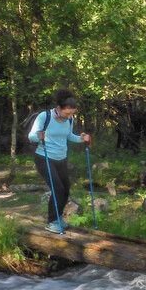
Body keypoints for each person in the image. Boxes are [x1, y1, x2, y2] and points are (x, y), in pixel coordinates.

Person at [28, 87, 91, 232]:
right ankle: (51, 222)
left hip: (61, 158)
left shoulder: (69, 120)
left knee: (66, 190)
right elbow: (31, 136)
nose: (69, 116)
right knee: (57, 189)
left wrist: (81, 139)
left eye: (72, 113)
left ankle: (58, 218)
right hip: (44, 157)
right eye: (67, 113)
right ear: (58, 108)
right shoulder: (45, 117)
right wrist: (38, 136)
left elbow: (69, 136)